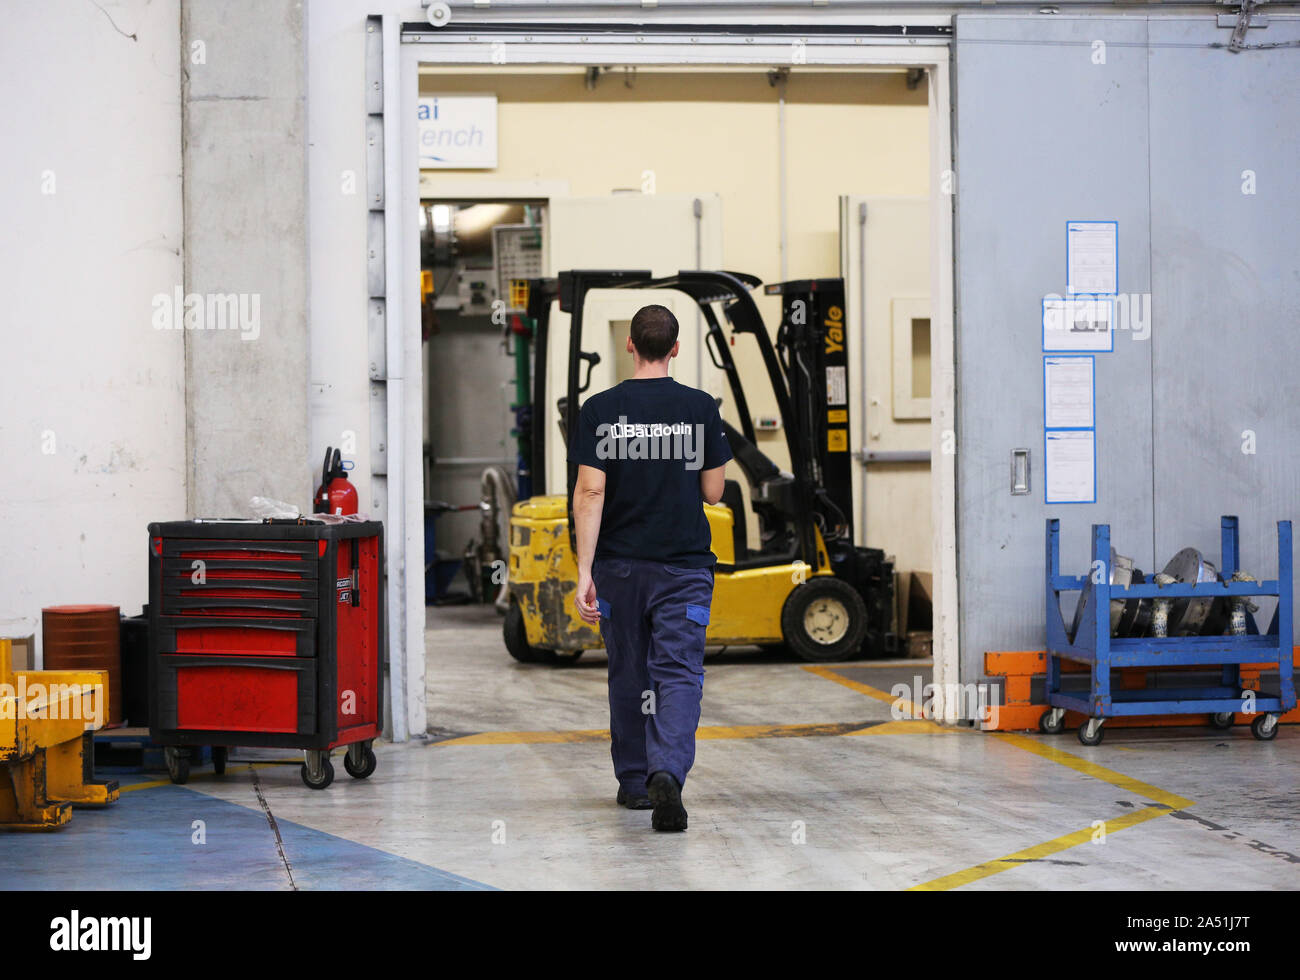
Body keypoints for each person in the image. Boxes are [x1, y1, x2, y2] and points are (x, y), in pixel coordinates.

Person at [569, 304, 732, 832]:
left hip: (618, 569)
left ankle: (636, 782)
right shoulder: (701, 407)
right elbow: (713, 492)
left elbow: (590, 491)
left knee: (630, 673)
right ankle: (669, 771)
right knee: (678, 675)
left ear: (630, 346)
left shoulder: (599, 409)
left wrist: (584, 572)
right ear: (677, 348)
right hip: (682, 569)